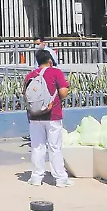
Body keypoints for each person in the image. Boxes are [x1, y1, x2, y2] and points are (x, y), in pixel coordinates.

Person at [25, 48, 72, 187]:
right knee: (55, 147)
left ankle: (36, 177)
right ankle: (60, 178)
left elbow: (26, 96)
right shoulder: (56, 72)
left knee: (37, 147)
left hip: (35, 117)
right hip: (53, 115)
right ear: (50, 61)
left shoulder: (30, 75)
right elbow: (63, 93)